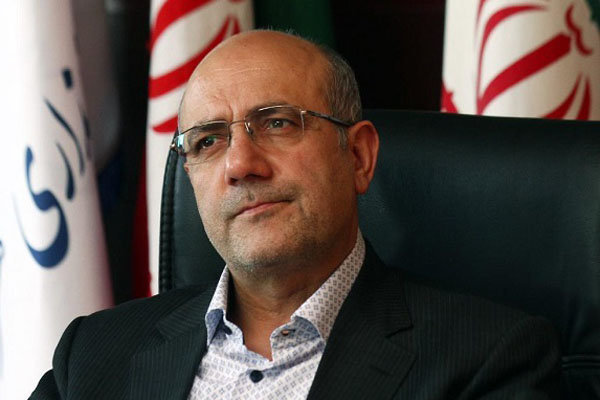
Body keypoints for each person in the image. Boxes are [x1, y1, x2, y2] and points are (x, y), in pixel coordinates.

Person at [31, 30, 560, 399]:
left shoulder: (487, 360)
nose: (240, 164)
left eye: (278, 123)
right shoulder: (93, 356)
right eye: (209, 140)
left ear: (358, 156)